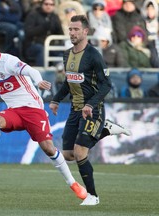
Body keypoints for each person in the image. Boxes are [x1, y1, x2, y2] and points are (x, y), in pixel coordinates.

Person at [0, 34, 88, 201]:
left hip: (33, 110)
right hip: (14, 111)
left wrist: (39, 81)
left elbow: (30, 70)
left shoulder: (8, 62)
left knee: (48, 148)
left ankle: (73, 183)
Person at [49, 15, 131, 206]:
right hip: (75, 110)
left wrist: (90, 105)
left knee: (79, 152)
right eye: (70, 29)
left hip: (92, 110)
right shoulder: (67, 54)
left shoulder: (94, 55)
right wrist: (55, 100)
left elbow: (106, 85)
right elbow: (69, 82)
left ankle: (92, 196)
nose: (72, 33)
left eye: (76, 29)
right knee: (68, 154)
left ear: (86, 31)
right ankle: (106, 129)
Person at [23, 0, 63, 66]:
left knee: (60, 50)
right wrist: (43, 26)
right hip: (33, 45)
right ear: (42, 4)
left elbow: (61, 34)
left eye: (51, 4)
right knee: (41, 49)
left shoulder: (55, 17)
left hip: (50, 45)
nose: (48, 6)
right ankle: (42, 73)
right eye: (46, 4)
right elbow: (28, 32)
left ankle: (60, 71)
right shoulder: (33, 14)